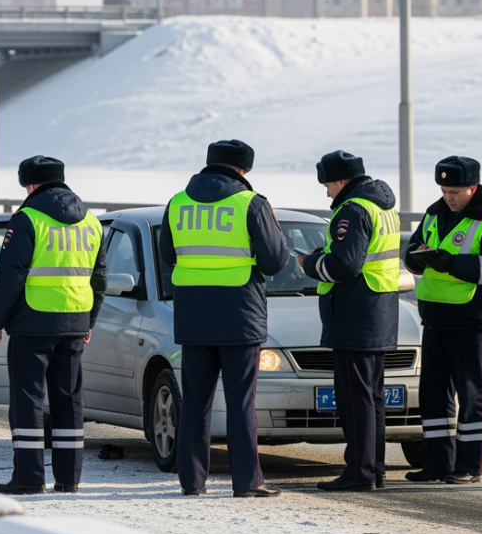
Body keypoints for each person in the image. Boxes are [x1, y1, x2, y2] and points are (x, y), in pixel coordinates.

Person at [158, 139, 289, 498]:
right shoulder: (251, 203)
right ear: (243, 169)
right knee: (240, 403)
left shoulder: (178, 203)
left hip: (193, 316)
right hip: (239, 317)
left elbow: (168, 254)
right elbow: (275, 260)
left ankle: (192, 481)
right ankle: (247, 482)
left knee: (195, 402)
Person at [0, 156, 107, 495]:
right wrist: (89, 320)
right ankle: (69, 479)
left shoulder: (28, 218)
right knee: (69, 401)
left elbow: (10, 275)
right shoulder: (91, 221)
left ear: (31, 185)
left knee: (28, 401)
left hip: (32, 324)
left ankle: (29, 477)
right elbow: (99, 278)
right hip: (75, 322)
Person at [402, 156, 482, 484]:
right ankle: (438, 463)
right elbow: (412, 252)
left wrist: (450, 263)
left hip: (472, 318)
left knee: (471, 395)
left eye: (455, 192)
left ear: (472, 188)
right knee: (433, 395)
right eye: (444, 190)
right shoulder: (434, 213)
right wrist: (416, 258)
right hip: (435, 316)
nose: (448, 197)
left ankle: (468, 466)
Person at [302, 150, 400, 492]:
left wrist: (310, 264)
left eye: (328, 184)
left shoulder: (353, 209)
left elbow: (345, 265)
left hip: (355, 312)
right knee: (371, 398)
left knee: (354, 400)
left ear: (342, 180)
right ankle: (374, 469)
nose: (327, 192)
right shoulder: (382, 207)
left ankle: (359, 473)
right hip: (378, 310)